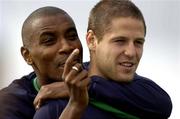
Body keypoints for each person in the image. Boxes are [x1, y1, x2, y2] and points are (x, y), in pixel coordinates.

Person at [33, 0, 172, 119]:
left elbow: (165, 104)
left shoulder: (149, 98)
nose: (131, 52)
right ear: (92, 40)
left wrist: (88, 86)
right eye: (120, 41)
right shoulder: (54, 110)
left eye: (138, 42)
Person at [0, 6, 85, 119]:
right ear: (27, 55)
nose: (67, 47)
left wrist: (87, 87)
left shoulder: (98, 75)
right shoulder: (10, 103)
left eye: (72, 36)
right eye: (49, 41)